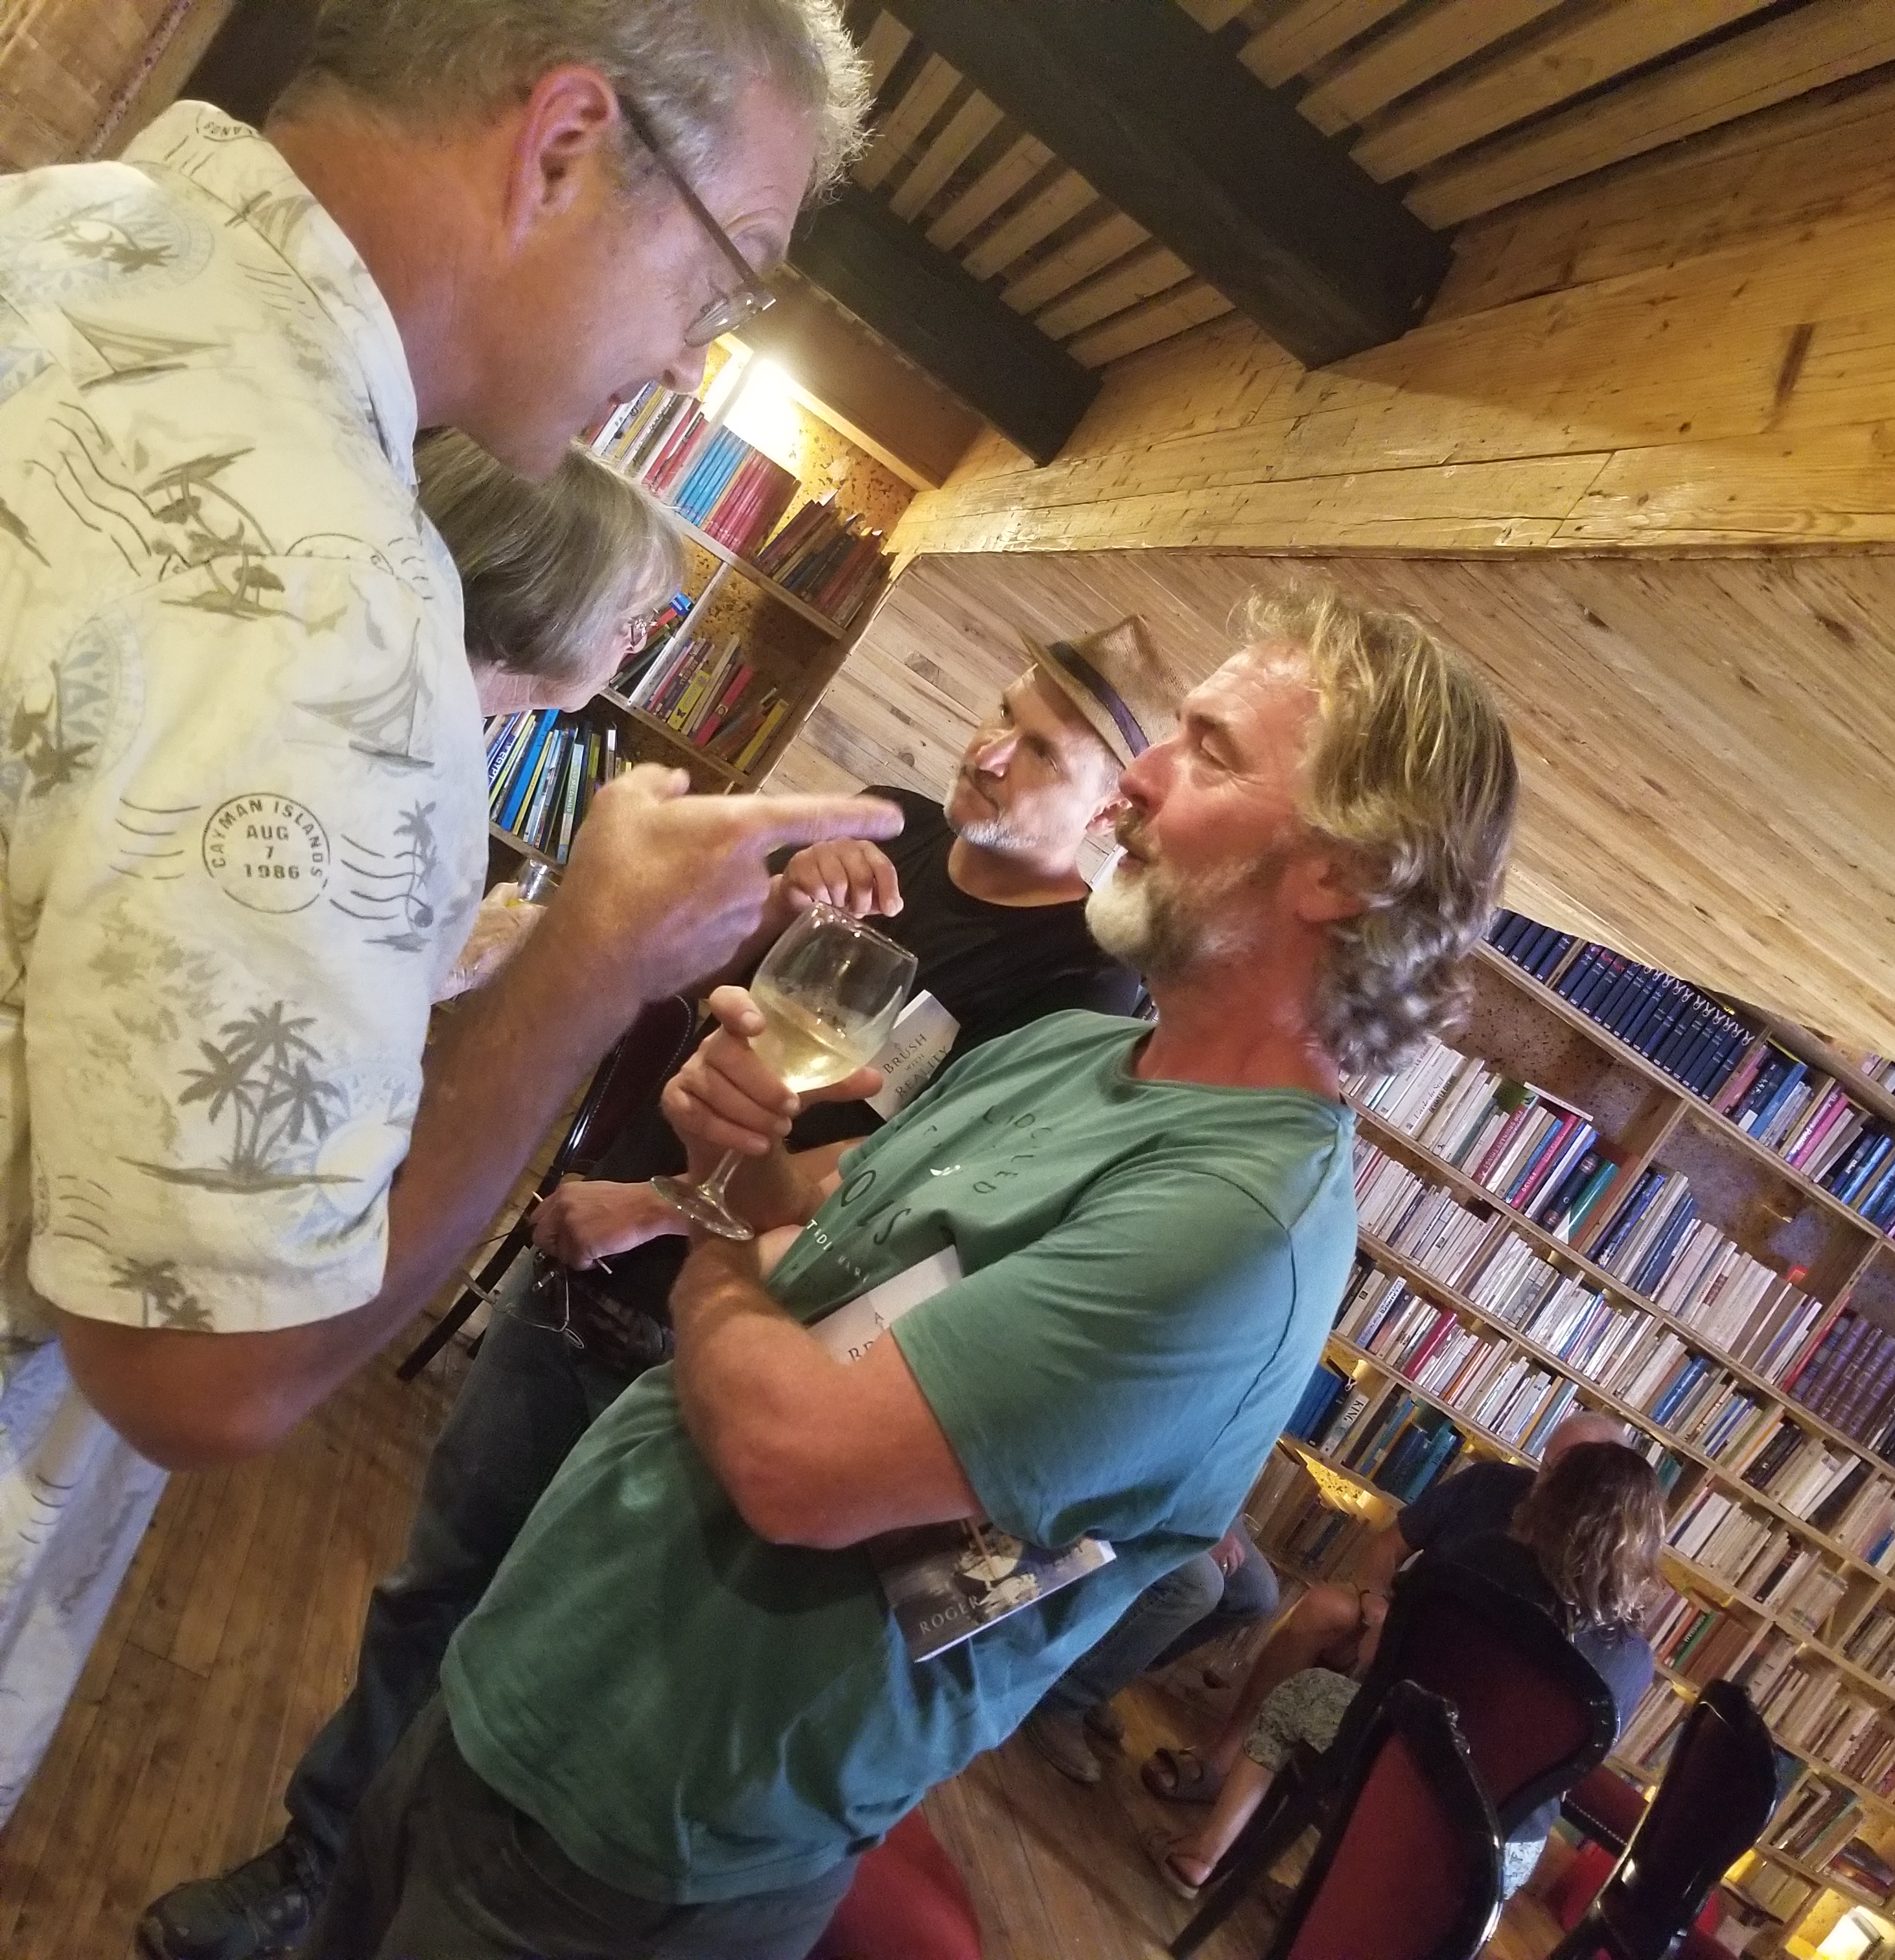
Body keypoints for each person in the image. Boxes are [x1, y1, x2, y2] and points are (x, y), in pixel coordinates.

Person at [294, 583, 1520, 1960]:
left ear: (1343, 872)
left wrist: (706, 1239)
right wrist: (726, 1145)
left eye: (1209, 751)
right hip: (531, 1675)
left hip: (644, 1831)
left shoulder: (1232, 1231)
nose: (1140, 781)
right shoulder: (1077, 1050)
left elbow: (792, 1458)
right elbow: (804, 1221)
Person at [0, 0, 881, 1829]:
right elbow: (207, 1369)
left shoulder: (51, 231)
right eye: (722, 276)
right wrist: (589, 962)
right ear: (562, 145)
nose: (689, 355)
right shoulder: (330, 603)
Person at [143, 622, 1152, 1960]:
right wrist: (773, 907)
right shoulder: (892, 827)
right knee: (435, 1586)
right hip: (589, 1276)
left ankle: (395, 1907)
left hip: (726, 1353)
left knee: (539, 1651)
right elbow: (691, 994)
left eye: (1043, 750)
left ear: (1113, 806)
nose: (991, 752)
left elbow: (904, 1183)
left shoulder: (1083, 990)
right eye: (1001, 712)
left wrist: (657, 1205)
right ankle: (316, 1865)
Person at [1145, 1440, 1663, 1902]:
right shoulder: (1636, 1662)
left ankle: (1203, 1856)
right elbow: (1575, 1764)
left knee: (1299, 1696)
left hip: (1399, 1772)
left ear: (1555, 1502)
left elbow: (1381, 1658)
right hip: (1499, 1848)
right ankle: (1336, 1915)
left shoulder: (1487, 1560)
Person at [1140, 1407, 1630, 1804]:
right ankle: (1224, 1760)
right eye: (1547, 1464)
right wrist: (1377, 1602)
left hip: (1461, 1679)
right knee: (1323, 1608)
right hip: (1401, 1618)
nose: (1544, 1482)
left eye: (1564, 1472)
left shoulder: (1594, 1576)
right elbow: (1387, 1547)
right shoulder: (1492, 1484)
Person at [424, 428, 684, 999]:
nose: (636, 645)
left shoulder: (434, 714)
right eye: (634, 621)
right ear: (546, 602)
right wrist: (456, 965)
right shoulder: (408, 745)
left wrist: (453, 943)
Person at [1024, 1522, 1280, 1785]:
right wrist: (1208, 1530)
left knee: (1258, 1594)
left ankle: (1108, 1673)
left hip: (1217, 1510)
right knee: (1200, 1586)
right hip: (1173, 1505)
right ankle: (1066, 1696)